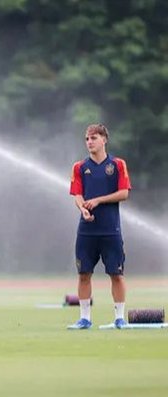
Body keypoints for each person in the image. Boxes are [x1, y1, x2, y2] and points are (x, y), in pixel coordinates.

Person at [68, 123, 131, 330]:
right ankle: (85, 318)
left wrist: (98, 201)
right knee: (83, 274)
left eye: (93, 138)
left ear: (104, 139)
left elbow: (124, 193)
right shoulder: (79, 167)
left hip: (110, 229)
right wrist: (83, 208)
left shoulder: (118, 164)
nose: (89, 142)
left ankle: (119, 318)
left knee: (116, 274)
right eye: (87, 139)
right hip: (86, 230)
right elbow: (77, 195)